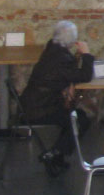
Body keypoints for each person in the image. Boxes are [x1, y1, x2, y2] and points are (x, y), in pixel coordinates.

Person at [22, 20, 94, 176]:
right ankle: (55, 153)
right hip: (40, 109)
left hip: (32, 104)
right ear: (71, 40)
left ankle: (57, 155)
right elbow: (84, 75)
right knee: (80, 119)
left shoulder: (51, 49)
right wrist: (87, 54)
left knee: (74, 118)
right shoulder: (61, 58)